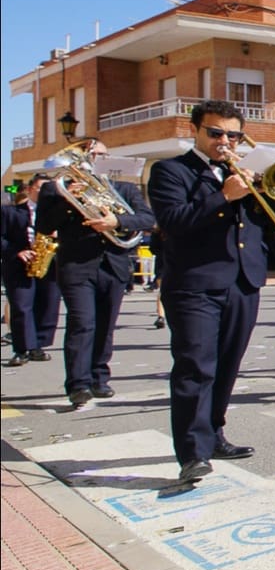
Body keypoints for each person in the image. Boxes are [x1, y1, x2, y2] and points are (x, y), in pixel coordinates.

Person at [147, 100, 275, 482]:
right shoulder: (171, 171)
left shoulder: (247, 175)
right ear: (196, 131)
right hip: (194, 284)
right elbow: (174, 221)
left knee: (226, 365)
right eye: (215, 133)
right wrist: (223, 196)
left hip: (242, 282)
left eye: (232, 135)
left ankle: (215, 433)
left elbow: (273, 224)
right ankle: (192, 452)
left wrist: (267, 189)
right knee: (195, 367)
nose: (225, 141)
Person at [35, 140, 156, 406]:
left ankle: (99, 378)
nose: (94, 159)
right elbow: (43, 226)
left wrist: (117, 221)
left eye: (101, 154)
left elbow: (148, 219)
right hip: (76, 266)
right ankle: (78, 384)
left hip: (113, 264)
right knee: (82, 324)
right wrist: (70, 201)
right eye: (89, 155)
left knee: (105, 326)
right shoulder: (54, 190)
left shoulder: (124, 188)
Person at [1, 174, 61, 367]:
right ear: (29, 190)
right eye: (41, 189)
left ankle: (38, 346)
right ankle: (21, 349)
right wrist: (17, 252)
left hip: (49, 263)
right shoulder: (9, 212)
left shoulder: (57, 213)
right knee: (21, 306)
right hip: (19, 265)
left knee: (48, 305)